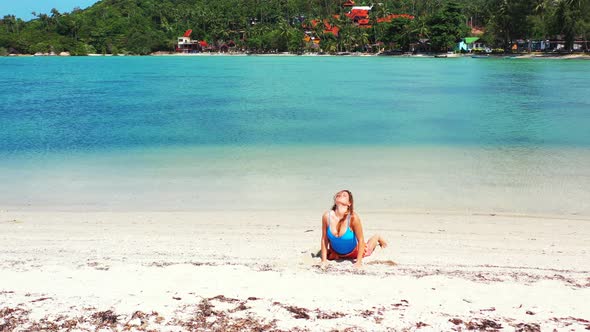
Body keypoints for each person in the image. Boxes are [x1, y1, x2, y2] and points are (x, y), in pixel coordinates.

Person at [320, 189, 388, 268]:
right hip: (336, 253)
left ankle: (377, 237)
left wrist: (358, 262)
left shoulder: (353, 218)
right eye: (338, 194)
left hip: (354, 252)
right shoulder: (326, 216)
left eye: (344, 195)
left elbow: (361, 240)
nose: (340, 195)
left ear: (349, 203)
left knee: (368, 249)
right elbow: (324, 239)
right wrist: (324, 260)